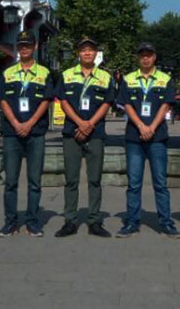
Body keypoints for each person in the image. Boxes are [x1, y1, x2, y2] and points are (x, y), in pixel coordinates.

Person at [116, 42, 180, 238]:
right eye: (142, 55)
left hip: (157, 137)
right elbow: (126, 105)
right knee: (134, 183)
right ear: (138, 57)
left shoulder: (165, 79)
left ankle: (166, 223)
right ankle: (132, 222)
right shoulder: (128, 79)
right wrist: (141, 126)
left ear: (154, 57)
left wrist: (151, 127)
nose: (145, 58)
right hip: (134, 137)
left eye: (149, 55)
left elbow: (166, 105)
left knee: (160, 183)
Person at [0, 30, 53, 237]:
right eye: (21, 45)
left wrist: (30, 123)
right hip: (12, 133)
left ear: (35, 47)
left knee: (35, 181)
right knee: (10, 181)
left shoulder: (44, 73)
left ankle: (32, 222)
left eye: (28, 44)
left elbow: (46, 101)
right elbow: (2, 100)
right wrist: (17, 123)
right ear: (17, 48)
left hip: (36, 133)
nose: (24, 48)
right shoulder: (8, 73)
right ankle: (10, 222)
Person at [54, 37, 114, 238]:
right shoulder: (67, 75)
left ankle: (94, 221)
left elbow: (107, 103)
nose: (87, 53)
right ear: (78, 53)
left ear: (96, 53)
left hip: (95, 133)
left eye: (91, 50)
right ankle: (70, 220)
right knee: (71, 179)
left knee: (94, 179)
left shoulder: (105, 77)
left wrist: (89, 124)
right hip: (72, 132)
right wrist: (80, 123)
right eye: (83, 50)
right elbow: (63, 101)